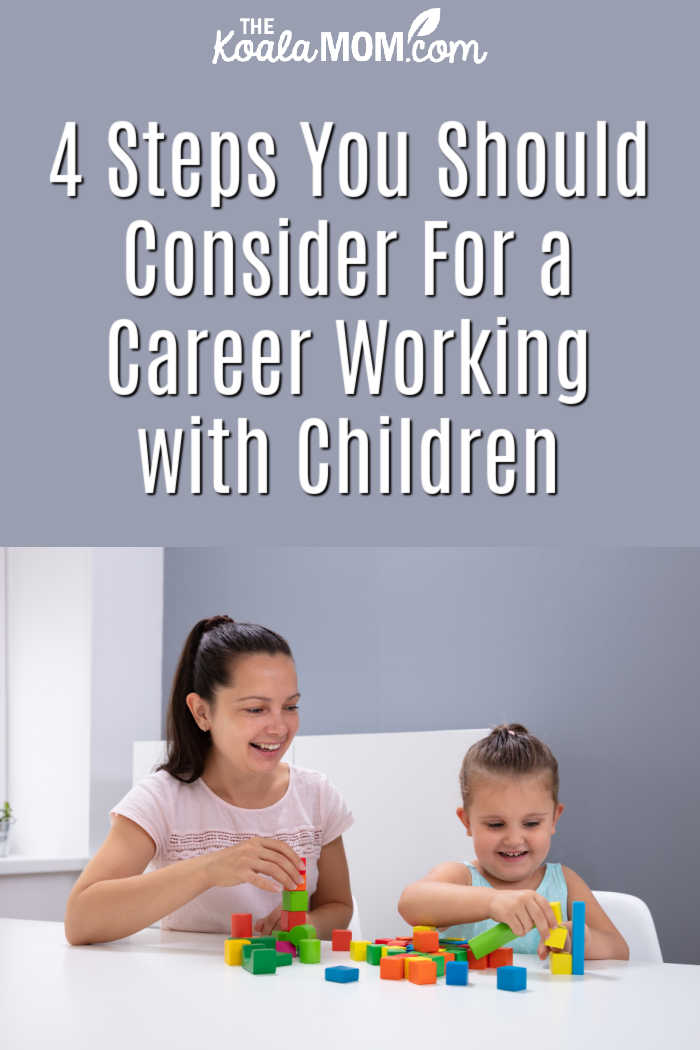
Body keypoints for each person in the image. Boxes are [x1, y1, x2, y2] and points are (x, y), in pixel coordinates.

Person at [65, 615, 353, 945]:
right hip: (187, 991)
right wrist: (210, 869)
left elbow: (338, 906)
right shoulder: (161, 799)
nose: (279, 727)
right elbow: (80, 921)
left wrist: (307, 926)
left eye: (290, 706)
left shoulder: (316, 795)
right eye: (256, 709)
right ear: (202, 712)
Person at [398, 724, 629, 959]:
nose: (514, 839)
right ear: (467, 822)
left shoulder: (565, 883)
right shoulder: (462, 878)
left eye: (531, 824)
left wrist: (579, 941)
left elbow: (619, 949)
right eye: (496, 825)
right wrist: (492, 901)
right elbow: (410, 902)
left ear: (553, 820)